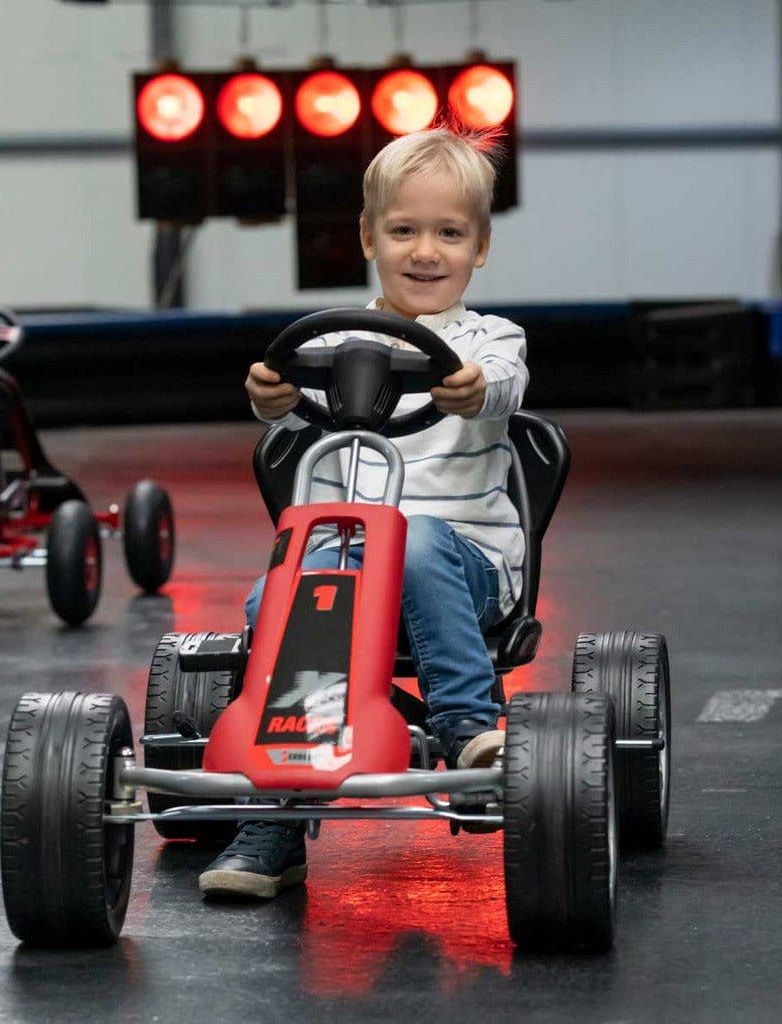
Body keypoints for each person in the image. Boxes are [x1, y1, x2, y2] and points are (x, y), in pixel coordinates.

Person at [199, 125, 529, 900]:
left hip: (464, 566)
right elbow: (282, 407)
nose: (425, 251)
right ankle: (273, 823)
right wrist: (269, 394)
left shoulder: (492, 340)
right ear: (368, 236)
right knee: (273, 601)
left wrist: (475, 387)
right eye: (404, 230)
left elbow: (504, 387)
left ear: (479, 247)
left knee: (412, 547)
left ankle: (464, 727)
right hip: (344, 561)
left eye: (449, 233)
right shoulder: (332, 338)